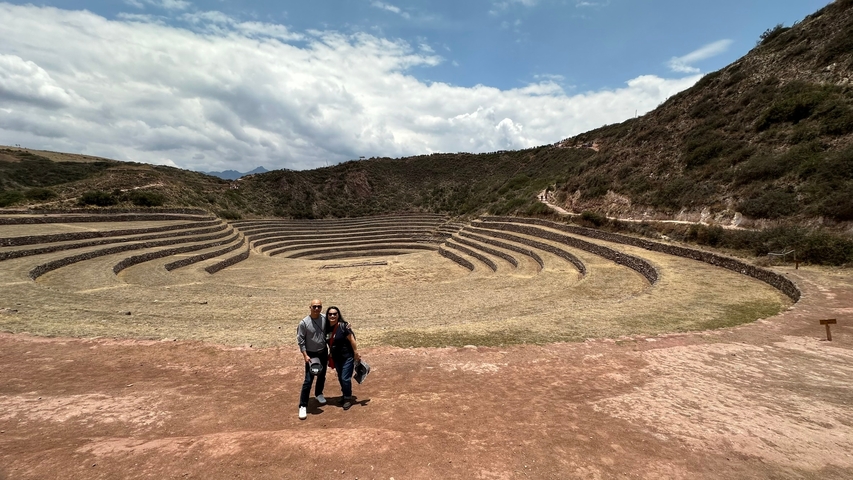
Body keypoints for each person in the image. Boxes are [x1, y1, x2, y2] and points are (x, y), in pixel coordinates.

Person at [296, 298, 328, 420]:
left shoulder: (325, 319)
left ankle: (318, 393)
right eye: (314, 306)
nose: (316, 309)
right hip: (311, 354)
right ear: (310, 307)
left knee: (322, 375)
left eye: (319, 306)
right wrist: (305, 355)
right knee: (308, 380)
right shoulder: (304, 323)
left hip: (323, 352)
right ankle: (303, 405)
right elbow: (301, 340)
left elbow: (336, 324)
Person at [324, 306, 361, 410]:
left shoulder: (343, 326)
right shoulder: (326, 327)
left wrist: (356, 353)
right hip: (336, 357)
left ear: (338, 315)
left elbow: (352, 339)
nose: (332, 316)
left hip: (347, 357)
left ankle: (348, 398)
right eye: (330, 314)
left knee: (345, 378)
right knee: (340, 377)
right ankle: (344, 394)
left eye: (335, 314)